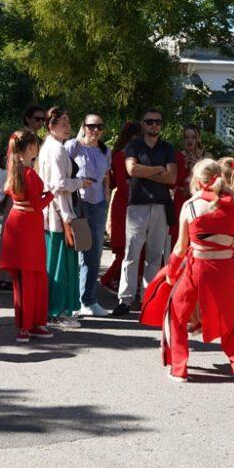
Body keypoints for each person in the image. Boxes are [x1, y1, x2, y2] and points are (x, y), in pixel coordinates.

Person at [140, 159, 234, 383]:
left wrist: (171, 273)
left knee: (176, 314)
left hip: (197, 270)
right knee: (232, 320)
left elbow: (180, 247)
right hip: (224, 273)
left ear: (196, 180)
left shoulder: (191, 206)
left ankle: (179, 369)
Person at [113, 109, 176, 316]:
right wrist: (159, 169)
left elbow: (171, 178)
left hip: (160, 205)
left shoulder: (167, 147)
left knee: (155, 256)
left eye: (158, 121)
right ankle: (125, 299)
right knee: (131, 254)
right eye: (150, 121)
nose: (154, 125)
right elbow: (132, 170)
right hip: (137, 206)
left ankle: (148, 298)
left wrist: (146, 172)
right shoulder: (134, 145)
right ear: (143, 124)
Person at [1, 129, 55, 343]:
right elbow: (36, 204)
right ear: (30, 147)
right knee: (32, 276)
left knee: (26, 277)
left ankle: (29, 324)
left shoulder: (15, 169)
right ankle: (29, 325)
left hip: (20, 223)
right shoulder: (29, 173)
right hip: (28, 224)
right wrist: (51, 194)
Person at [37, 107, 88, 328]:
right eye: (62, 123)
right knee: (59, 264)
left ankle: (56, 310)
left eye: (68, 123)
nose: (67, 127)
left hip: (54, 211)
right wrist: (80, 182)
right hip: (58, 213)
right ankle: (55, 312)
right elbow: (58, 184)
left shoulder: (50, 147)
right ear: (51, 125)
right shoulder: (56, 149)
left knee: (57, 263)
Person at [0, 105, 46, 290]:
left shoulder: (37, 140)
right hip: (19, 194)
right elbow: (5, 165)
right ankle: (4, 276)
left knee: (15, 238)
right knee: (11, 238)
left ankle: (9, 276)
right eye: (37, 118)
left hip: (24, 191)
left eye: (43, 119)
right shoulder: (22, 139)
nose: (41, 122)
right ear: (28, 119)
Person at [68, 114, 112, 317]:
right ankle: (72, 300)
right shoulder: (73, 146)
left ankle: (89, 299)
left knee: (94, 254)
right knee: (76, 251)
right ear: (83, 127)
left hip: (98, 204)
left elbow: (106, 178)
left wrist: (107, 201)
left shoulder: (105, 151)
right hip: (78, 204)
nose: (95, 130)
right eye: (92, 126)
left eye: (99, 126)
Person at [100, 121, 142, 292]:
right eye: (136, 137)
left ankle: (123, 281)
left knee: (134, 247)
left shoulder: (135, 154)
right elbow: (122, 185)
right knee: (125, 247)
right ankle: (108, 278)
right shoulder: (120, 156)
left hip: (132, 203)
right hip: (124, 204)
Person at [172, 124, 206, 245]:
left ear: (198, 139)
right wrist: (185, 167)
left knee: (196, 233)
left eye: (193, 137)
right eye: (186, 137)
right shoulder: (178, 156)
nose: (190, 140)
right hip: (181, 197)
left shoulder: (205, 156)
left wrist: (197, 167)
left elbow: (210, 180)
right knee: (178, 235)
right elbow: (173, 182)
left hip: (199, 199)